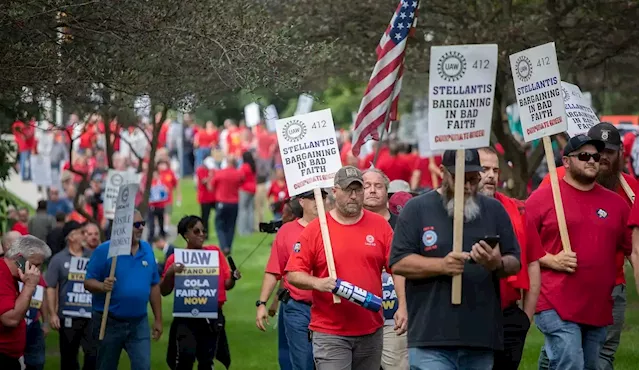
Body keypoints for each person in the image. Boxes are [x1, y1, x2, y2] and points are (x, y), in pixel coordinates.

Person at [390, 148, 521, 370]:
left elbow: (514, 261)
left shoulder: (494, 210)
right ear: (442, 172)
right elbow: (399, 262)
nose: (468, 186)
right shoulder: (417, 209)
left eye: (473, 179)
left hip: (480, 337)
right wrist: (441, 265)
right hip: (430, 337)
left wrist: (496, 263)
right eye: (460, 179)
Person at [526, 134, 634, 370]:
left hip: (597, 306)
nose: (592, 161)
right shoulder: (543, 198)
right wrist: (551, 260)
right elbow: (519, 245)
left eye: (596, 156)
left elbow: (633, 250)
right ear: (566, 161)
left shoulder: (616, 204)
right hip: (554, 302)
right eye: (584, 156)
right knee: (570, 361)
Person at [286, 166, 402, 370]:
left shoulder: (380, 225)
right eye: (348, 190)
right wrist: (318, 283)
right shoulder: (317, 229)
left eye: (358, 190)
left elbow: (398, 269)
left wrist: (404, 305)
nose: (354, 196)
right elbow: (293, 274)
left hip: (371, 329)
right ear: (335, 191)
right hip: (330, 332)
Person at [477, 146, 545, 370]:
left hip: (508, 315)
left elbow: (533, 261)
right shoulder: (454, 210)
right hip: (467, 315)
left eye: (495, 170)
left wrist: (526, 316)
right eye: (484, 169)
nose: (491, 176)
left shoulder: (517, 210)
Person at [84, 210, 163, 370]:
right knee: (106, 366)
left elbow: (154, 285)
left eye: (143, 223)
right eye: (136, 225)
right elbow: (88, 282)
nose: (141, 228)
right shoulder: (105, 251)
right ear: (123, 227)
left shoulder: (147, 250)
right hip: (109, 322)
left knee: (143, 366)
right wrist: (102, 286)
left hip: (138, 322)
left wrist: (158, 319)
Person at [256, 190, 326, 370]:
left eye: (322, 196)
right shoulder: (287, 231)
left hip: (329, 307)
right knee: (302, 363)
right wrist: (262, 303)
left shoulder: (332, 228)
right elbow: (274, 271)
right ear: (301, 201)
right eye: (312, 197)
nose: (318, 201)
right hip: (298, 307)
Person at [160, 215, 237, 370]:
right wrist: (170, 272)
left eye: (203, 231)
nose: (202, 234)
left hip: (212, 317)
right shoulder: (175, 259)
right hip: (186, 317)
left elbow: (227, 285)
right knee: (185, 357)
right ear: (185, 235)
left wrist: (233, 277)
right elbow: (164, 291)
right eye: (196, 231)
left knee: (207, 360)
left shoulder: (214, 253)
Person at [362, 168, 409, 370]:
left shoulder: (404, 225)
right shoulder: (349, 225)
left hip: (396, 314)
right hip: (360, 315)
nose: (372, 191)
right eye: (366, 186)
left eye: (378, 186)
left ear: (386, 191)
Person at [45, 221, 96, 370]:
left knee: (93, 354)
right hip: (68, 316)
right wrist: (53, 314)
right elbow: (50, 287)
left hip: (90, 315)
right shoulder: (58, 260)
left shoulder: (92, 257)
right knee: (68, 357)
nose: (84, 235)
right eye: (81, 232)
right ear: (71, 237)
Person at [0, 235, 50, 370]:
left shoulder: (10, 276)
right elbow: (10, 319)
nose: (37, 272)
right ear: (19, 259)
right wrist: (29, 286)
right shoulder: (1, 275)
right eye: (36, 265)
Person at [212, 157, 245, 254]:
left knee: (219, 225)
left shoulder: (220, 173)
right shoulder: (238, 173)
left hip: (222, 202)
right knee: (231, 226)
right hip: (234, 202)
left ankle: (224, 245)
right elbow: (242, 181)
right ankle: (228, 246)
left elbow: (213, 185)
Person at [196, 157, 217, 236]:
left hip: (214, 197)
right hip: (204, 198)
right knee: (205, 217)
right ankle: (205, 233)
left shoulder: (213, 170)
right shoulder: (200, 170)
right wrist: (211, 176)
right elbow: (203, 181)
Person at [238, 151, 257, 235]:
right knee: (250, 210)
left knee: (243, 210)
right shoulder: (253, 166)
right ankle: (250, 229)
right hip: (253, 188)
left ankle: (243, 230)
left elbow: (240, 177)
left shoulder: (244, 166)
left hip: (245, 189)